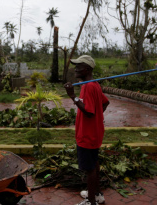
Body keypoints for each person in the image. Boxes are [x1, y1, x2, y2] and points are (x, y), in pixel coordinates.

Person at [64, 55, 109, 205]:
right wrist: (98, 118)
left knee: (89, 169)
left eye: (79, 66)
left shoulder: (88, 87)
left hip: (87, 134)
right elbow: (105, 102)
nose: (75, 69)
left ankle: (91, 202)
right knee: (94, 164)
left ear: (87, 69)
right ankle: (97, 194)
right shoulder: (94, 84)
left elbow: (89, 112)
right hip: (95, 133)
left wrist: (73, 97)